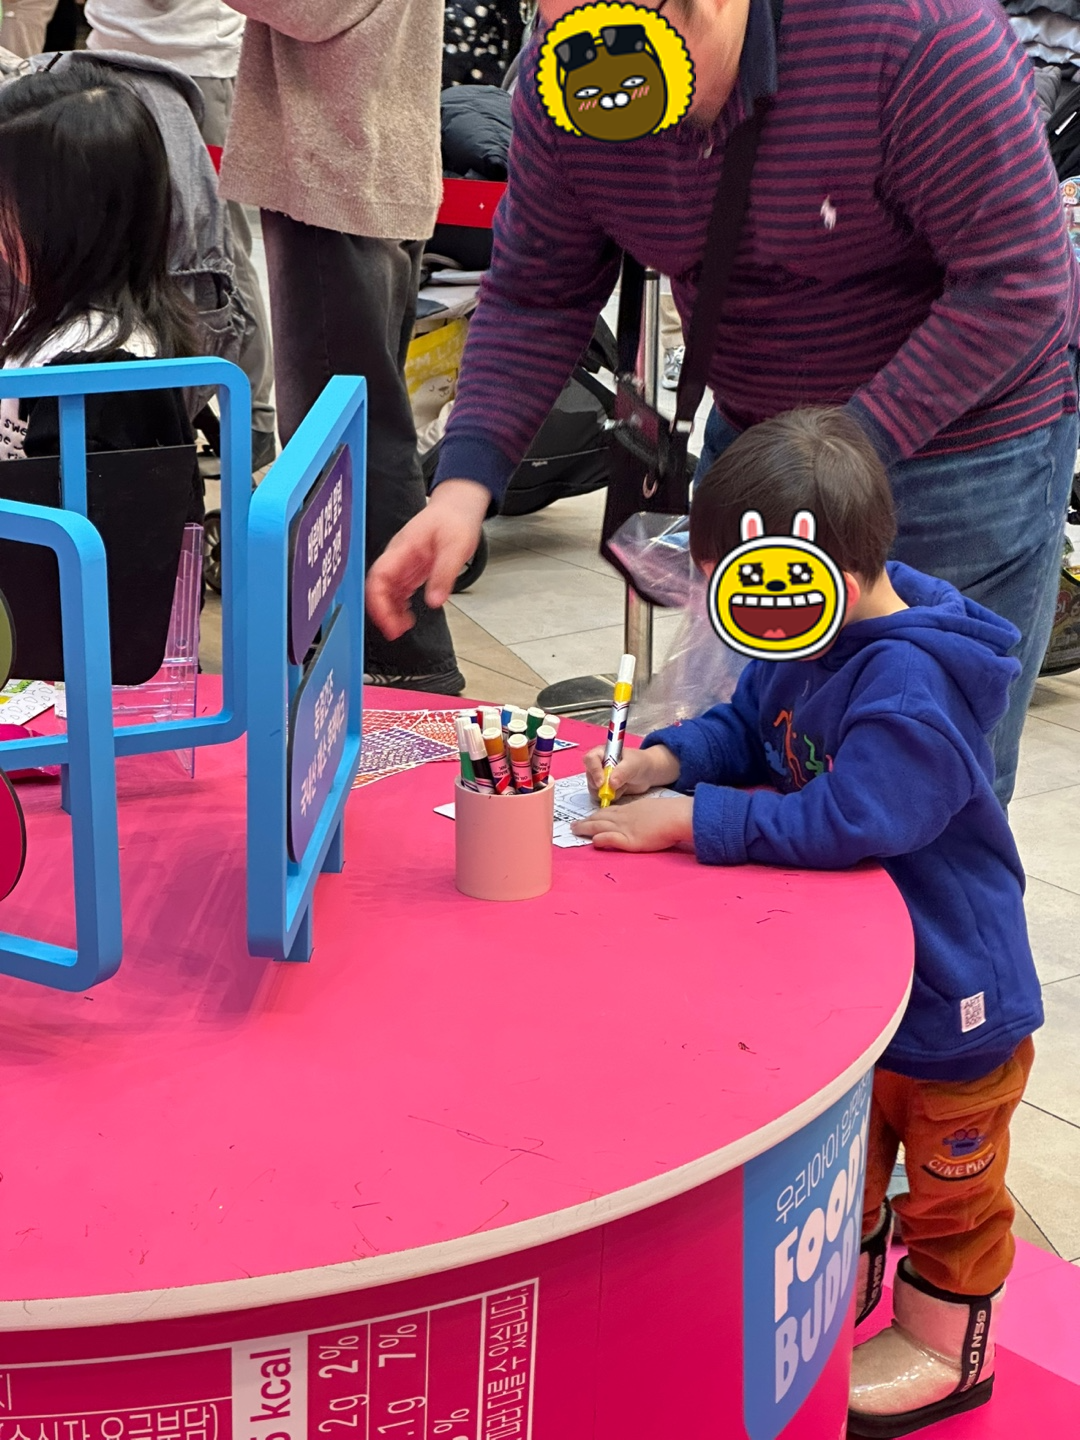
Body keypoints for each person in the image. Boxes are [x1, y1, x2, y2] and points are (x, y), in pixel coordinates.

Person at [367, 0, 1080, 794]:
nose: (629, 100)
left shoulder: (917, 35)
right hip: (761, 441)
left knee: (925, 787)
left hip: (959, 450)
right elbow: (539, 289)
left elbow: (1019, 283)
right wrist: (463, 488)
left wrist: (829, 464)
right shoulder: (565, 69)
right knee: (759, 750)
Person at [572, 407, 1041, 1437]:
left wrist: (694, 820)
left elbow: (850, 819)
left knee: (951, 1198)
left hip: (954, 1007)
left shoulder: (909, 691)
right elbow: (752, 723)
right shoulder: (806, 632)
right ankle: (840, 1297)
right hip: (869, 992)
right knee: (846, 1159)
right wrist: (671, 758)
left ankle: (944, 1345)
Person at [219, 0, 466, 694]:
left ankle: (400, 660)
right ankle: (372, 655)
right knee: (359, 430)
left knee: (345, 439)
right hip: (358, 161)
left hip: (339, 168)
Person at [0, 64, 201, 519]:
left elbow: (74, 533)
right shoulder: (78, 313)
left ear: (66, 223)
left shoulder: (99, 376)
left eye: (6, 206)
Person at [83, 0, 277, 470]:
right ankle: (148, 414)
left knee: (218, 249)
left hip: (194, 63)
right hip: (106, 55)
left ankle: (251, 419)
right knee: (114, 247)